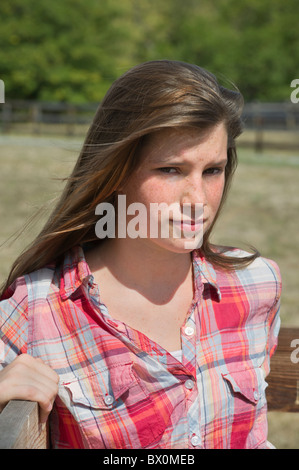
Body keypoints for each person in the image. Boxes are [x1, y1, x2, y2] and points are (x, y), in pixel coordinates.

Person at [0, 60, 281, 449]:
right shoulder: (31, 312)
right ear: (115, 173)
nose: (197, 200)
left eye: (212, 170)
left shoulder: (258, 284)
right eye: (170, 170)